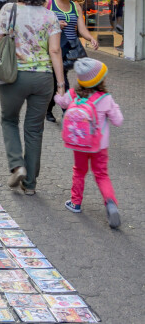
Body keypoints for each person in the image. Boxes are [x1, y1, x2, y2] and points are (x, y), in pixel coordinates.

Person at [0, 0, 65, 195]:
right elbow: (55, 50)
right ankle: (30, 184)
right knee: (34, 130)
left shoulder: (9, 10)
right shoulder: (50, 16)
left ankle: (17, 165)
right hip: (43, 78)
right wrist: (60, 84)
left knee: (9, 120)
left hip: (14, 76)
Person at [54, 58, 123, 228]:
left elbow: (61, 101)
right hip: (99, 146)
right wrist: (115, 108)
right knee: (101, 174)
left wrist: (59, 92)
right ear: (100, 80)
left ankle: (75, 203)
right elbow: (118, 121)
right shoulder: (106, 98)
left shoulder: (73, 94)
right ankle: (110, 203)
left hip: (79, 144)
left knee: (79, 171)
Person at [45, 0, 99, 122]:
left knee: (58, 79)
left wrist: (91, 38)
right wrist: (55, 24)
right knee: (62, 80)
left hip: (70, 51)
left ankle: (48, 109)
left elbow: (81, 29)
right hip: (53, 49)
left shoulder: (76, 6)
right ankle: (68, 113)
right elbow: (40, 25)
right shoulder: (49, 4)